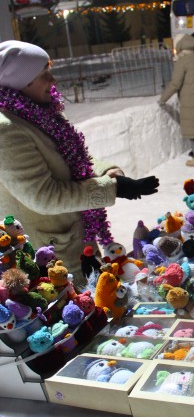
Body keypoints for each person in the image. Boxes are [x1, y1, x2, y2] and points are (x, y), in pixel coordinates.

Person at [0, 40, 159, 286]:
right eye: (44, 75)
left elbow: (70, 156)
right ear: (22, 82)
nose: (52, 81)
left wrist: (108, 172)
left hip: (75, 237)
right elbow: (43, 196)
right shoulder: (6, 130)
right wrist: (112, 188)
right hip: (51, 258)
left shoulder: (39, 111)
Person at [159, 33, 194, 167]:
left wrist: (163, 98)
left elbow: (175, 83)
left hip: (190, 99)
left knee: (193, 126)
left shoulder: (182, 61)